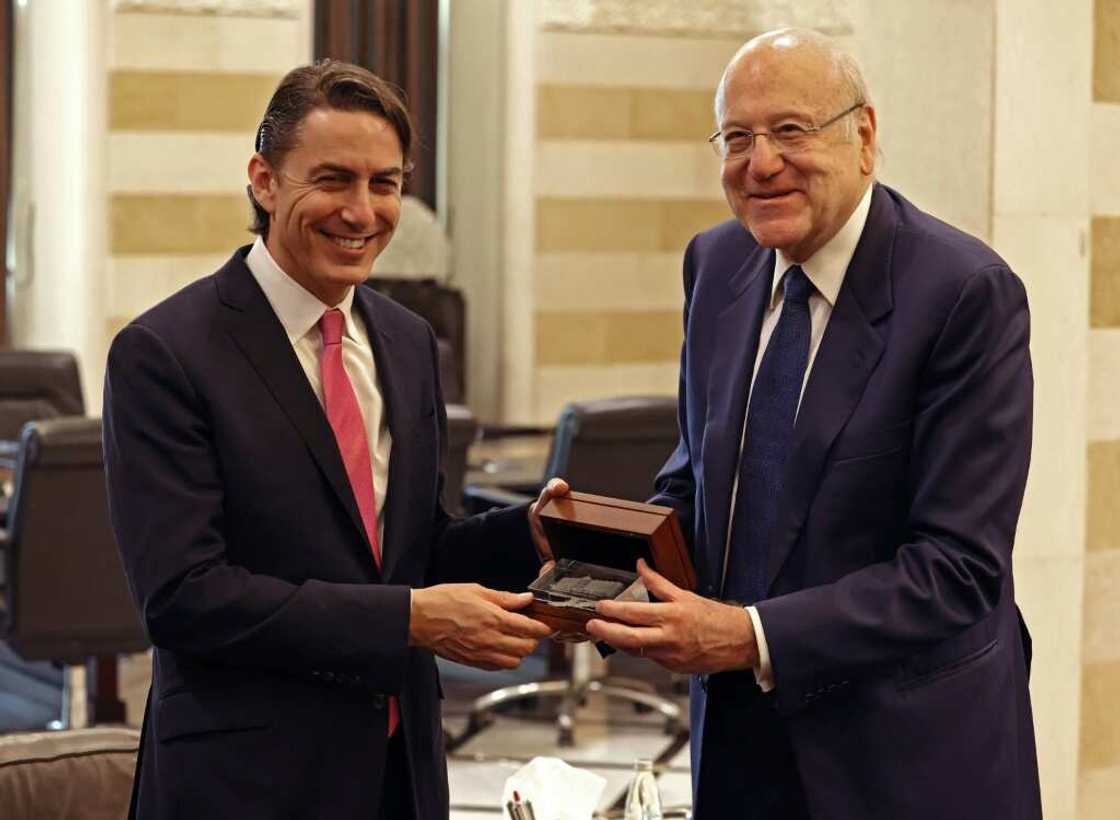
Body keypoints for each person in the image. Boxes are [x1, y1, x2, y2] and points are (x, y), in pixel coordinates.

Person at [585, 29, 1041, 819]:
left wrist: (749, 635)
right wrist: (603, 558)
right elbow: (699, 477)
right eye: (736, 138)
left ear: (863, 136)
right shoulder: (716, 263)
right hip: (737, 741)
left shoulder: (965, 294)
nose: (760, 163)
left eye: (790, 130)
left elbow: (958, 568)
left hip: (901, 755)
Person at [103, 60, 563, 820]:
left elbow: (413, 548)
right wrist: (409, 619)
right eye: (334, 179)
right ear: (264, 180)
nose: (362, 210)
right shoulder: (166, 352)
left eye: (384, 184)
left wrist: (527, 532)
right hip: (245, 783)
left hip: (399, 775)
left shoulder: (409, 342)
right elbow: (184, 597)